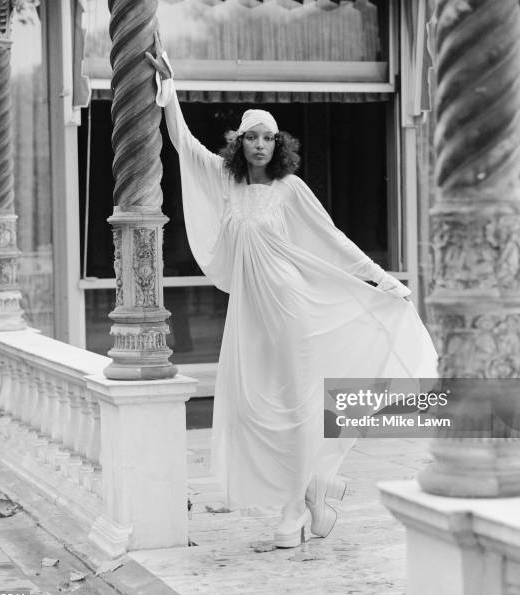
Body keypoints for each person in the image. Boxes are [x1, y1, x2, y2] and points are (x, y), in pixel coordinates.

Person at [146, 33, 437, 548]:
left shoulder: (290, 189)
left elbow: (332, 238)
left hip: (293, 306)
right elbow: (182, 144)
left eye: (268, 139)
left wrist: (382, 277)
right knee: (255, 405)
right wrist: (170, 88)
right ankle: (316, 486)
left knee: (299, 404)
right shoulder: (225, 180)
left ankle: (291, 512)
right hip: (250, 312)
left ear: (278, 146)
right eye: (252, 137)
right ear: (239, 143)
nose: (260, 145)